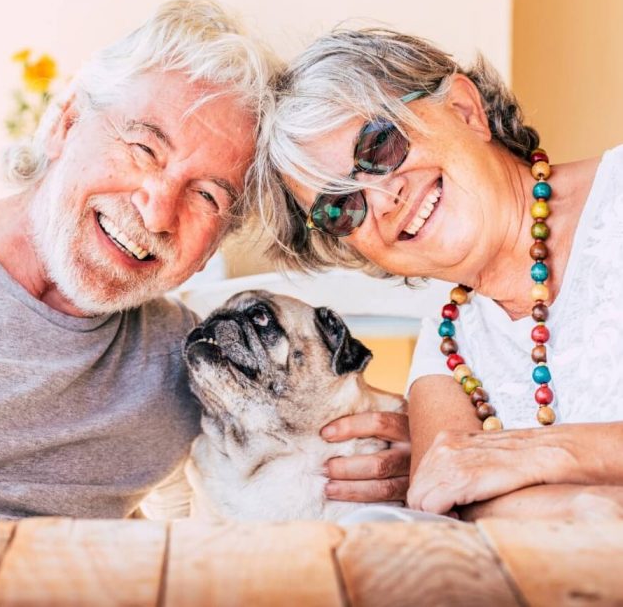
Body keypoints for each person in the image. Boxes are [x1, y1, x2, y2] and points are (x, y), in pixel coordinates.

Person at [0, 0, 278, 552]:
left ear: (215, 244)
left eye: (207, 195)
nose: (159, 212)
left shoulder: (186, 362)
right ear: (66, 125)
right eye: (144, 149)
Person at [254, 27, 623, 520]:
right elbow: (448, 504)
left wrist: (548, 453)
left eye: (380, 146)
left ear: (464, 109)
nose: (384, 200)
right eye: (341, 208)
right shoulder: (449, 347)